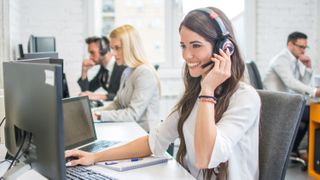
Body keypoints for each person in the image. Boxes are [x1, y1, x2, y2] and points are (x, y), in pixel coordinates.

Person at [66, 7, 261, 180]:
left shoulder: (245, 98)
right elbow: (155, 141)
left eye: (196, 45)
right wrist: (95, 157)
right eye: (183, 46)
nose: (186, 56)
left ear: (224, 48)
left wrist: (208, 92)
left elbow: (205, 159)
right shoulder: (194, 93)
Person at [92, 25, 161, 132]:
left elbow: (132, 114)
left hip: (146, 137)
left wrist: (99, 115)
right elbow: (117, 104)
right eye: (112, 48)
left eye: (117, 48)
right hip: (131, 132)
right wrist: (93, 112)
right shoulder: (127, 71)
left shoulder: (144, 73)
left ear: (130, 47)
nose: (113, 53)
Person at [263, 31, 320, 161]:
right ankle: (312, 157)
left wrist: (308, 67)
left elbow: (301, 85)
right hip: (276, 104)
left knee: (308, 115)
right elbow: (291, 83)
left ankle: (293, 150)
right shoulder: (282, 59)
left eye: (305, 47)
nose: (304, 50)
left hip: (285, 102)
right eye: (301, 47)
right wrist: (314, 91)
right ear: (290, 45)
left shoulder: (293, 60)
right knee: (312, 112)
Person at [78, 36, 126, 101]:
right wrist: (84, 71)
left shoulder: (122, 67)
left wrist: (100, 96)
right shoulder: (103, 69)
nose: (90, 57)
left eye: (92, 52)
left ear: (104, 50)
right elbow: (87, 92)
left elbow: (125, 96)